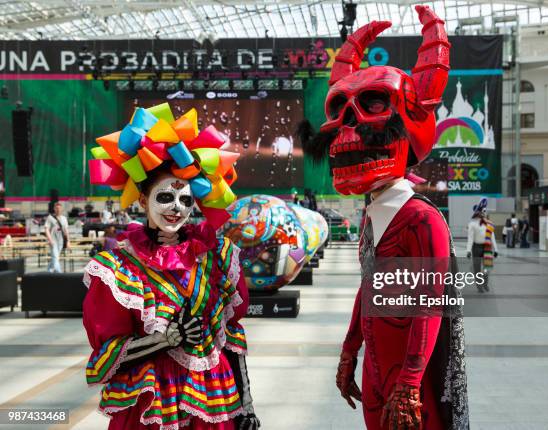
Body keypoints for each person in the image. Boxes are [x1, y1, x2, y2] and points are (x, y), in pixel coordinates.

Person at [299, 7, 468, 429]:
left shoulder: (421, 220)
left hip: (409, 381)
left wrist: (410, 383)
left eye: (373, 107)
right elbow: (369, 288)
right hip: (377, 372)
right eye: (340, 114)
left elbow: (430, 306)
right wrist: (348, 352)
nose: (348, 130)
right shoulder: (374, 217)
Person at [84, 103, 259, 429]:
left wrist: (246, 404)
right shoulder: (118, 268)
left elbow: (231, 336)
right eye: (165, 197)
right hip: (153, 399)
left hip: (213, 398)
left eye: (186, 200)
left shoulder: (218, 255)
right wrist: (163, 340)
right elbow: (106, 356)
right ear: (142, 201)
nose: (176, 208)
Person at [466, 198, 498, 292]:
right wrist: (468, 250)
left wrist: (496, 249)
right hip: (476, 247)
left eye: (485, 211)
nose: (484, 213)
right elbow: (470, 238)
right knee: (477, 268)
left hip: (486, 247)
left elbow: (492, 237)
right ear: (478, 212)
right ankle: (479, 286)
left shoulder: (489, 224)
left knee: (487, 267)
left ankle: (485, 283)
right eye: (482, 211)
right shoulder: (472, 224)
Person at [44, 201, 70, 273]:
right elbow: (46, 229)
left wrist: (68, 241)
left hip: (61, 241)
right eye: (56, 208)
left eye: (59, 208)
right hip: (53, 241)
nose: (58, 210)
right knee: (55, 257)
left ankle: (49, 271)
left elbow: (66, 231)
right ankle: (59, 274)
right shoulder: (50, 218)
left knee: (55, 258)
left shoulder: (64, 218)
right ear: (54, 209)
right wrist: (50, 240)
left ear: (61, 209)